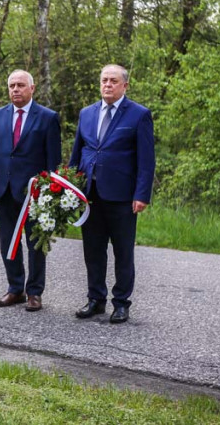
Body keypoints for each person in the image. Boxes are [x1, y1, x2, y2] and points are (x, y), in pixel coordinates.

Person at [69, 64, 155, 324]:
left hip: (122, 197)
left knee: (123, 252)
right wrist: (70, 187)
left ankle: (121, 303)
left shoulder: (139, 115)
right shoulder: (87, 113)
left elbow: (146, 160)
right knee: (93, 250)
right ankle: (96, 300)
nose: (107, 84)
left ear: (125, 85)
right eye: (104, 80)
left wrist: (141, 195)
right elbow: (77, 153)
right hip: (90, 195)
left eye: (113, 81)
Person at [0, 70, 62, 312]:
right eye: (11, 86)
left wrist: (51, 192)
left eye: (20, 85)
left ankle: (34, 292)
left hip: (35, 193)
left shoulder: (48, 118)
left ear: (32, 88)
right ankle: (15, 288)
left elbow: (53, 160)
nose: (15, 89)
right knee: (8, 243)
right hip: (4, 190)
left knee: (36, 244)